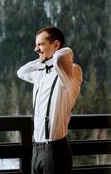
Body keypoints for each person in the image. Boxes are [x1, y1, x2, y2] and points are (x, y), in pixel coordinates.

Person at [17, 26, 83, 174]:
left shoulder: (71, 72)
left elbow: (61, 57)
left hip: (55, 150)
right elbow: (21, 72)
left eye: (40, 44)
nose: (36, 49)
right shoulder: (41, 74)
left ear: (57, 45)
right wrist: (41, 61)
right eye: (36, 45)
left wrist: (50, 57)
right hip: (36, 148)